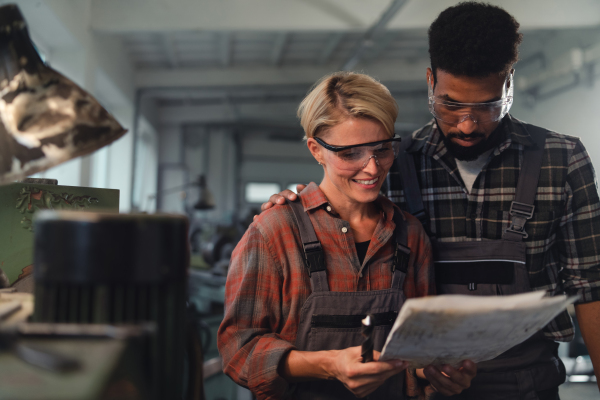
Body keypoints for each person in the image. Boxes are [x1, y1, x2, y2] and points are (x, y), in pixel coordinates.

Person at [261, 2, 600, 399]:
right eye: (450, 104)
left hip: (528, 382)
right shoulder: (394, 163)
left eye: (488, 105)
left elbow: (591, 287)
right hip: (423, 386)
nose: (468, 124)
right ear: (429, 82)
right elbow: (345, 213)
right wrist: (301, 201)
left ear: (509, 84)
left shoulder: (561, 159)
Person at [218, 72, 476, 400]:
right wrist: (328, 364)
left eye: (382, 149)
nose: (372, 168)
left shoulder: (410, 234)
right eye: (350, 154)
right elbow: (237, 350)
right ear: (316, 149)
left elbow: (418, 349)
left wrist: (436, 372)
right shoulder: (274, 233)